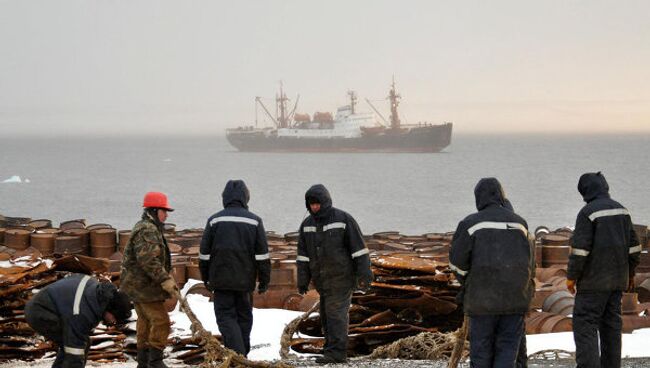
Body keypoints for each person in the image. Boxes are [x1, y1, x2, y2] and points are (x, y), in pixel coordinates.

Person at [449, 178, 534, 367]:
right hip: (515, 300)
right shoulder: (521, 224)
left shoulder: (470, 224)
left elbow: (456, 263)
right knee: (507, 354)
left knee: (481, 354)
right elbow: (530, 262)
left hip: (482, 303)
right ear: (500, 196)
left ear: (478, 198)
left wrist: (468, 282)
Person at [566, 172, 640, 368]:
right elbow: (634, 248)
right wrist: (630, 273)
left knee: (585, 326)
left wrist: (571, 277)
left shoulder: (587, 213)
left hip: (592, 284)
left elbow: (580, 251)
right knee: (611, 328)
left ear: (585, 191)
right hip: (616, 283)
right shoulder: (622, 211)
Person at [296, 184, 373, 364]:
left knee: (336, 315)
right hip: (322, 281)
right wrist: (303, 280)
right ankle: (330, 350)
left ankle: (337, 353)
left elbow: (359, 250)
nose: (314, 207)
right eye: (311, 204)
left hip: (342, 278)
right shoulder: (307, 225)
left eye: (317, 203)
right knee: (326, 315)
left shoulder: (343, 219)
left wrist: (364, 274)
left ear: (325, 202)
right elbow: (303, 256)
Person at [199, 180, 271, 357]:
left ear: (225, 198)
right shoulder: (254, 221)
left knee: (226, 317)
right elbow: (262, 255)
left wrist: (206, 277)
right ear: (246, 197)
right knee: (244, 318)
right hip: (244, 282)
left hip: (221, 280)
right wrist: (264, 281)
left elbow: (204, 254)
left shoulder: (215, 220)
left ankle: (237, 355)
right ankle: (242, 355)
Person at [24, 273, 132, 368]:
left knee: (78, 343)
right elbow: (74, 353)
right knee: (74, 348)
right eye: (114, 319)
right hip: (39, 311)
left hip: (47, 306)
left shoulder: (97, 294)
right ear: (110, 309)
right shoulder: (82, 313)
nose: (112, 323)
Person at [121, 191, 178, 368]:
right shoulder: (147, 229)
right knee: (161, 321)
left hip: (139, 287)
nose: (166, 214)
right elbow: (147, 259)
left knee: (144, 322)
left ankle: (144, 362)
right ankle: (155, 361)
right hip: (143, 288)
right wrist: (165, 279)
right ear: (154, 210)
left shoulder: (147, 226)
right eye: (164, 210)